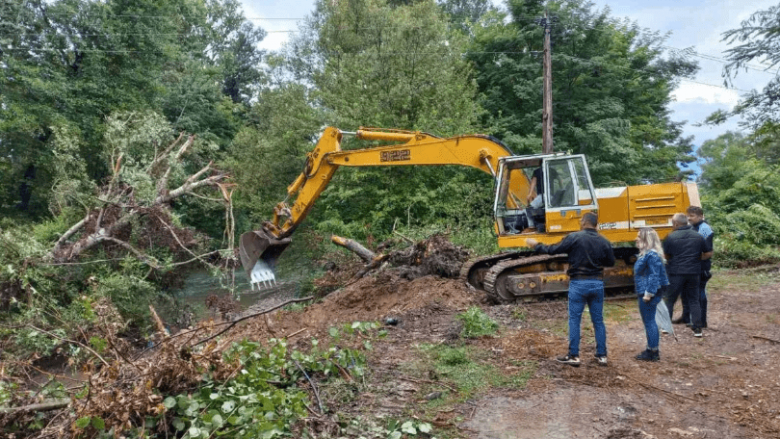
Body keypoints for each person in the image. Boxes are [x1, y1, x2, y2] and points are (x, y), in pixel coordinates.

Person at [526, 212, 615, 367]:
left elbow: (553, 250)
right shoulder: (604, 241)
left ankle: (574, 355)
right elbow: (611, 262)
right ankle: (602, 356)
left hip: (578, 284)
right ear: (596, 224)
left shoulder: (574, 238)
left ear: (584, 222)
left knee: (575, 320)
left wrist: (536, 245)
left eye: (581, 220)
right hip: (597, 283)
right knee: (598, 321)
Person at [662, 213, 711, 337]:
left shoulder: (670, 237)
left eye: (673, 223)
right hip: (694, 272)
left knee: (670, 299)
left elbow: (665, 255)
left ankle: (666, 327)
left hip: (676, 272)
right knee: (694, 300)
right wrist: (697, 259)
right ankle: (698, 329)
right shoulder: (698, 236)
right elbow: (708, 252)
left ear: (676, 224)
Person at [633, 228, 670, 361]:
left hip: (647, 292)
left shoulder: (652, 255)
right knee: (649, 321)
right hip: (645, 290)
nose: (636, 239)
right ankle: (651, 348)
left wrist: (649, 293)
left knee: (650, 322)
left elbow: (654, 276)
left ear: (646, 240)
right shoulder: (648, 254)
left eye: (639, 237)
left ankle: (653, 352)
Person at [678, 206, 714, 328]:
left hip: (700, 267)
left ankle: (701, 322)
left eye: (692, 216)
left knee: (699, 293)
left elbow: (708, 253)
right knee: (686, 292)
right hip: (690, 266)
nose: (689, 218)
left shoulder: (705, 229)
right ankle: (686, 317)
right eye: (688, 215)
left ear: (700, 216)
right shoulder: (693, 227)